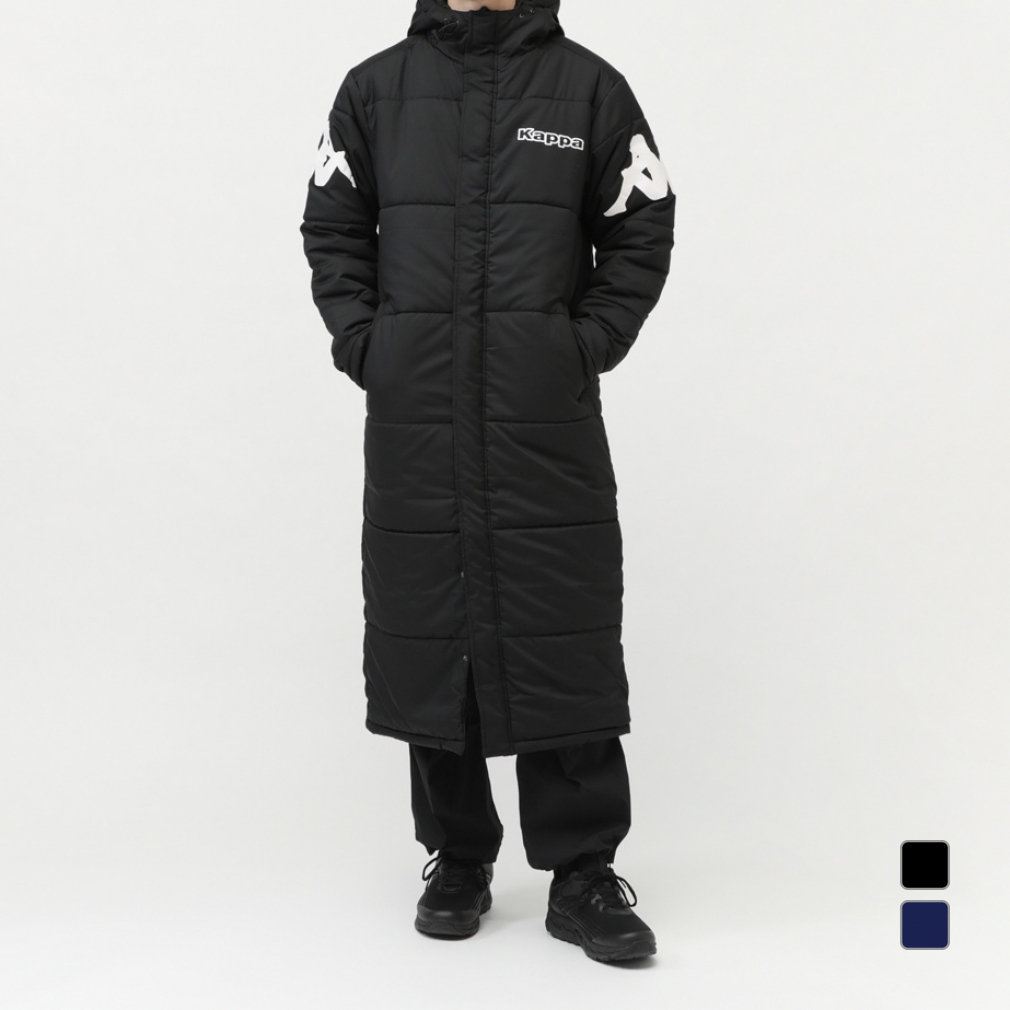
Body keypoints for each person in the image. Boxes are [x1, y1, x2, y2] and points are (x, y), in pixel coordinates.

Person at [300, 0, 675, 963]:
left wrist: (579, 346)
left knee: (561, 621)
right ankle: (458, 856)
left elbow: (642, 224)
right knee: (433, 625)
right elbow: (332, 228)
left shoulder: (590, 88)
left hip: (544, 419)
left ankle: (583, 872)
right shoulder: (373, 91)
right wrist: (370, 346)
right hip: (417, 416)